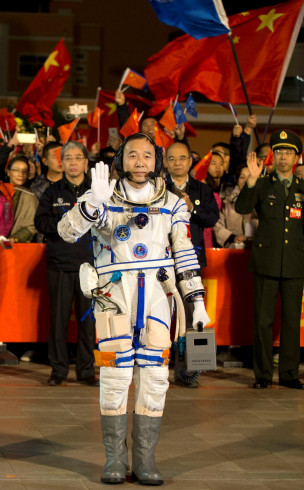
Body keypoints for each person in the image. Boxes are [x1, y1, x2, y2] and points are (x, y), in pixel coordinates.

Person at [58, 133, 210, 485]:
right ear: (120, 160)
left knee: (156, 378)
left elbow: (185, 251)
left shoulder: (173, 203)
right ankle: (114, 459)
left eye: (146, 155)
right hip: (113, 296)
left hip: (158, 295)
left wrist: (196, 301)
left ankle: (145, 459)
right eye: (132, 155)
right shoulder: (101, 196)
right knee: (114, 377)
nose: (139, 162)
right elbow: (66, 232)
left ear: (157, 160)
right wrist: (92, 205)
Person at [235, 130, 304, 390]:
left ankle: (290, 374)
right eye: (279, 152)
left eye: (288, 152)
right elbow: (242, 208)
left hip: (294, 262)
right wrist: (251, 181)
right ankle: (263, 375)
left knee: (292, 321)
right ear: (273, 155)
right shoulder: (262, 184)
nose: (283, 157)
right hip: (266, 261)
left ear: (297, 157)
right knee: (263, 320)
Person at [35, 141, 96, 387]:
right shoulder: (52, 192)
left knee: (88, 322)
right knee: (58, 321)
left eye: (77, 157)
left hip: (91, 266)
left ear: (86, 162)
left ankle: (86, 370)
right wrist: (66, 225)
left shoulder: (96, 191)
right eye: (67, 158)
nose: (72, 162)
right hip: (60, 263)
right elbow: (40, 222)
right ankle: (58, 370)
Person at [164, 142, 219, 388]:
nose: (177, 162)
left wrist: (191, 208)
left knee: (190, 319)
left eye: (182, 158)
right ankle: (156, 367)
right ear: (165, 162)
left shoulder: (202, 190)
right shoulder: (157, 188)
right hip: (161, 261)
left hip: (190, 262)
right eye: (172, 158)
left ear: (190, 161)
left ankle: (187, 373)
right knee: (160, 316)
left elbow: (212, 218)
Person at [214, 165, 256, 249]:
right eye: (242, 177)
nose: (246, 181)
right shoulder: (227, 201)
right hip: (233, 248)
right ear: (237, 179)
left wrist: (248, 237)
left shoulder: (261, 201)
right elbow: (217, 226)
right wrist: (232, 237)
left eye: (250, 177)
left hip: (256, 248)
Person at [5, 156, 39, 243]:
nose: (21, 174)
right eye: (16, 170)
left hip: (19, 244)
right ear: (8, 172)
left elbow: (32, 225)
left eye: (24, 171)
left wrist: (16, 238)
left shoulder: (30, 196)